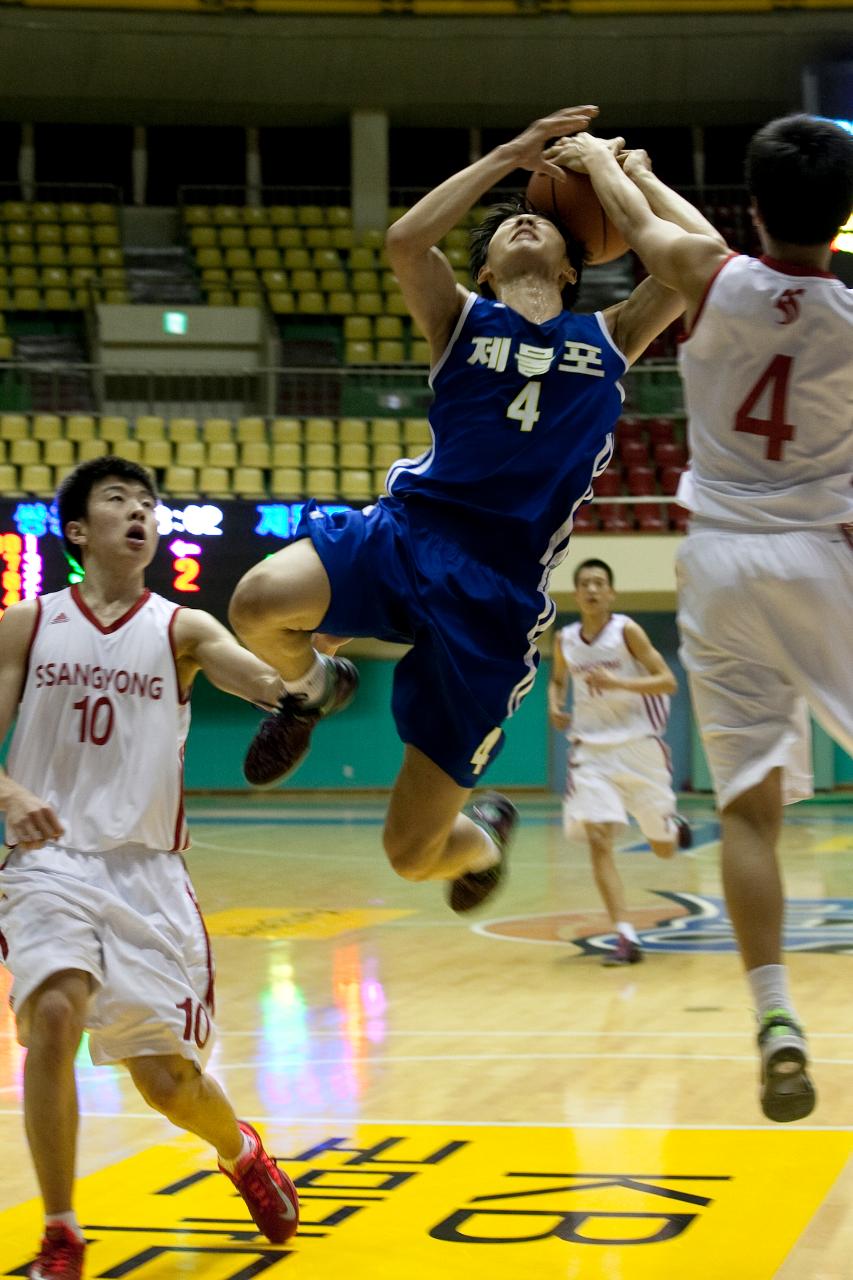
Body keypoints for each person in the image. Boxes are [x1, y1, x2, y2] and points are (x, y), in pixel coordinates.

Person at [228, 104, 709, 916]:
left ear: (570, 265)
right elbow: (404, 242)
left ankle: (485, 834)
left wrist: (635, 180)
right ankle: (313, 689)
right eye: (505, 225)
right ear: (482, 269)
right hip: (409, 532)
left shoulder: (610, 334)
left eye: (538, 220)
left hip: (495, 595)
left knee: (411, 854)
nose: (522, 222)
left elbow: (702, 264)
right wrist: (510, 156)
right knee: (255, 605)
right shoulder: (457, 319)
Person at [553, 116, 853, 1121]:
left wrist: (606, 163)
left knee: (746, 811)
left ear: (754, 206)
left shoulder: (708, 277)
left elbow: (656, 232)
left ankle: (771, 1010)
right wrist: (631, 180)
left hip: (716, 562)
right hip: (820, 555)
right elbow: (683, 236)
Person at [0, 457, 300, 1280]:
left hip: (144, 875)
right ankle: (62, 1233)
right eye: (118, 500)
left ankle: (240, 1152)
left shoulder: (183, 629)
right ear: (77, 530)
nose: (139, 512)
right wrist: (10, 792)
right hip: (46, 862)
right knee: (54, 1016)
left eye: (148, 504)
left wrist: (300, 691)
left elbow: (259, 679)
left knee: (168, 1084)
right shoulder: (28, 624)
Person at [549, 557, 691, 966]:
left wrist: (618, 682)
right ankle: (625, 936)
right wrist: (556, 705)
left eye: (599, 583)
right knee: (598, 838)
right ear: (576, 594)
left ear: (611, 593)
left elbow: (668, 681)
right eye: (585, 584)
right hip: (591, 751)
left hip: (639, 748)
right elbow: (558, 680)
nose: (592, 590)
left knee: (663, 850)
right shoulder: (565, 640)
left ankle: (668, 825)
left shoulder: (626, 631)